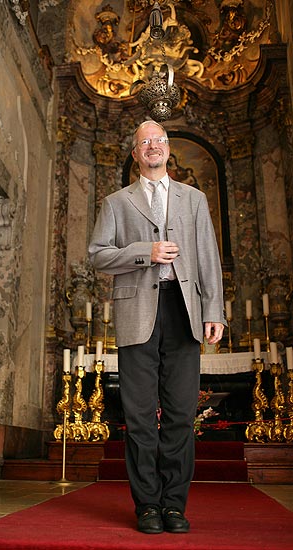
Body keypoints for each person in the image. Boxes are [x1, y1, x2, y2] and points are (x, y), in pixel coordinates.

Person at [88, 120, 225, 535]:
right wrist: (143, 252)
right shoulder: (116, 202)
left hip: (184, 311)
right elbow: (97, 255)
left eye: (159, 140)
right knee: (141, 416)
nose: (153, 146)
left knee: (183, 414)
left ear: (168, 149)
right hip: (137, 313)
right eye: (145, 141)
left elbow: (207, 256)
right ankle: (147, 504)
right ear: (135, 153)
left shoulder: (195, 199)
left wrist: (214, 311)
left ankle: (174, 504)